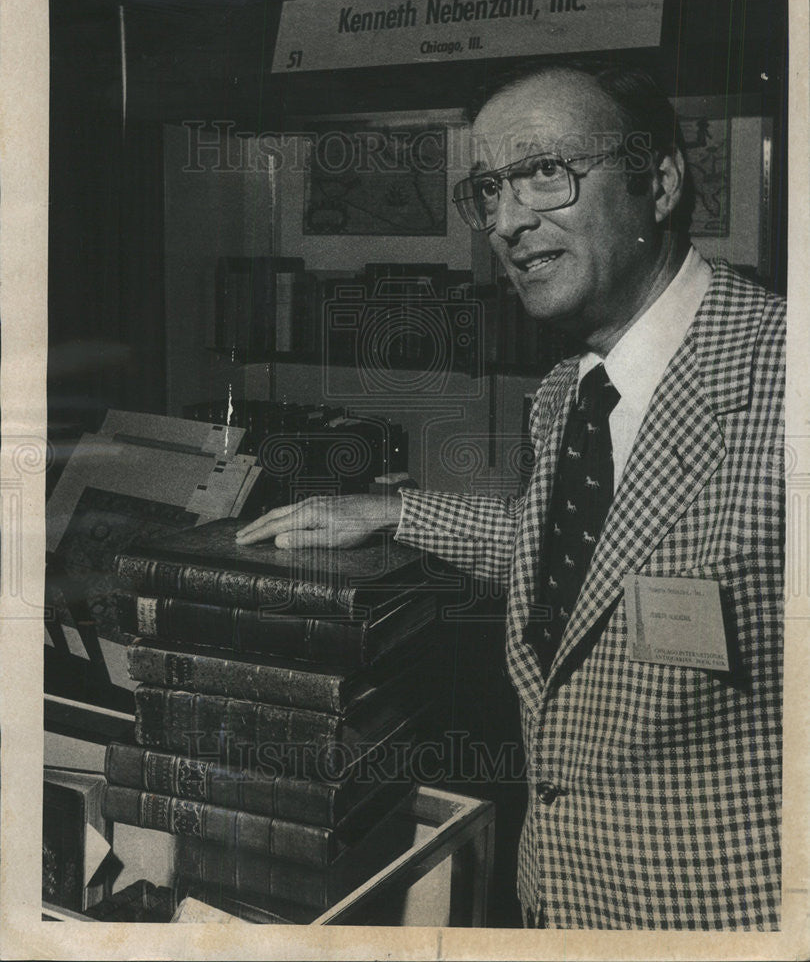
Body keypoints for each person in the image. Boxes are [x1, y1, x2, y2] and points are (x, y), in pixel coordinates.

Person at [237, 59, 784, 931]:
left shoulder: (783, 377)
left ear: (663, 182)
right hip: (556, 904)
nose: (506, 221)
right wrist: (396, 509)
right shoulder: (570, 392)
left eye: (544, 172)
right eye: (488, 189)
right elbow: (589, 570)